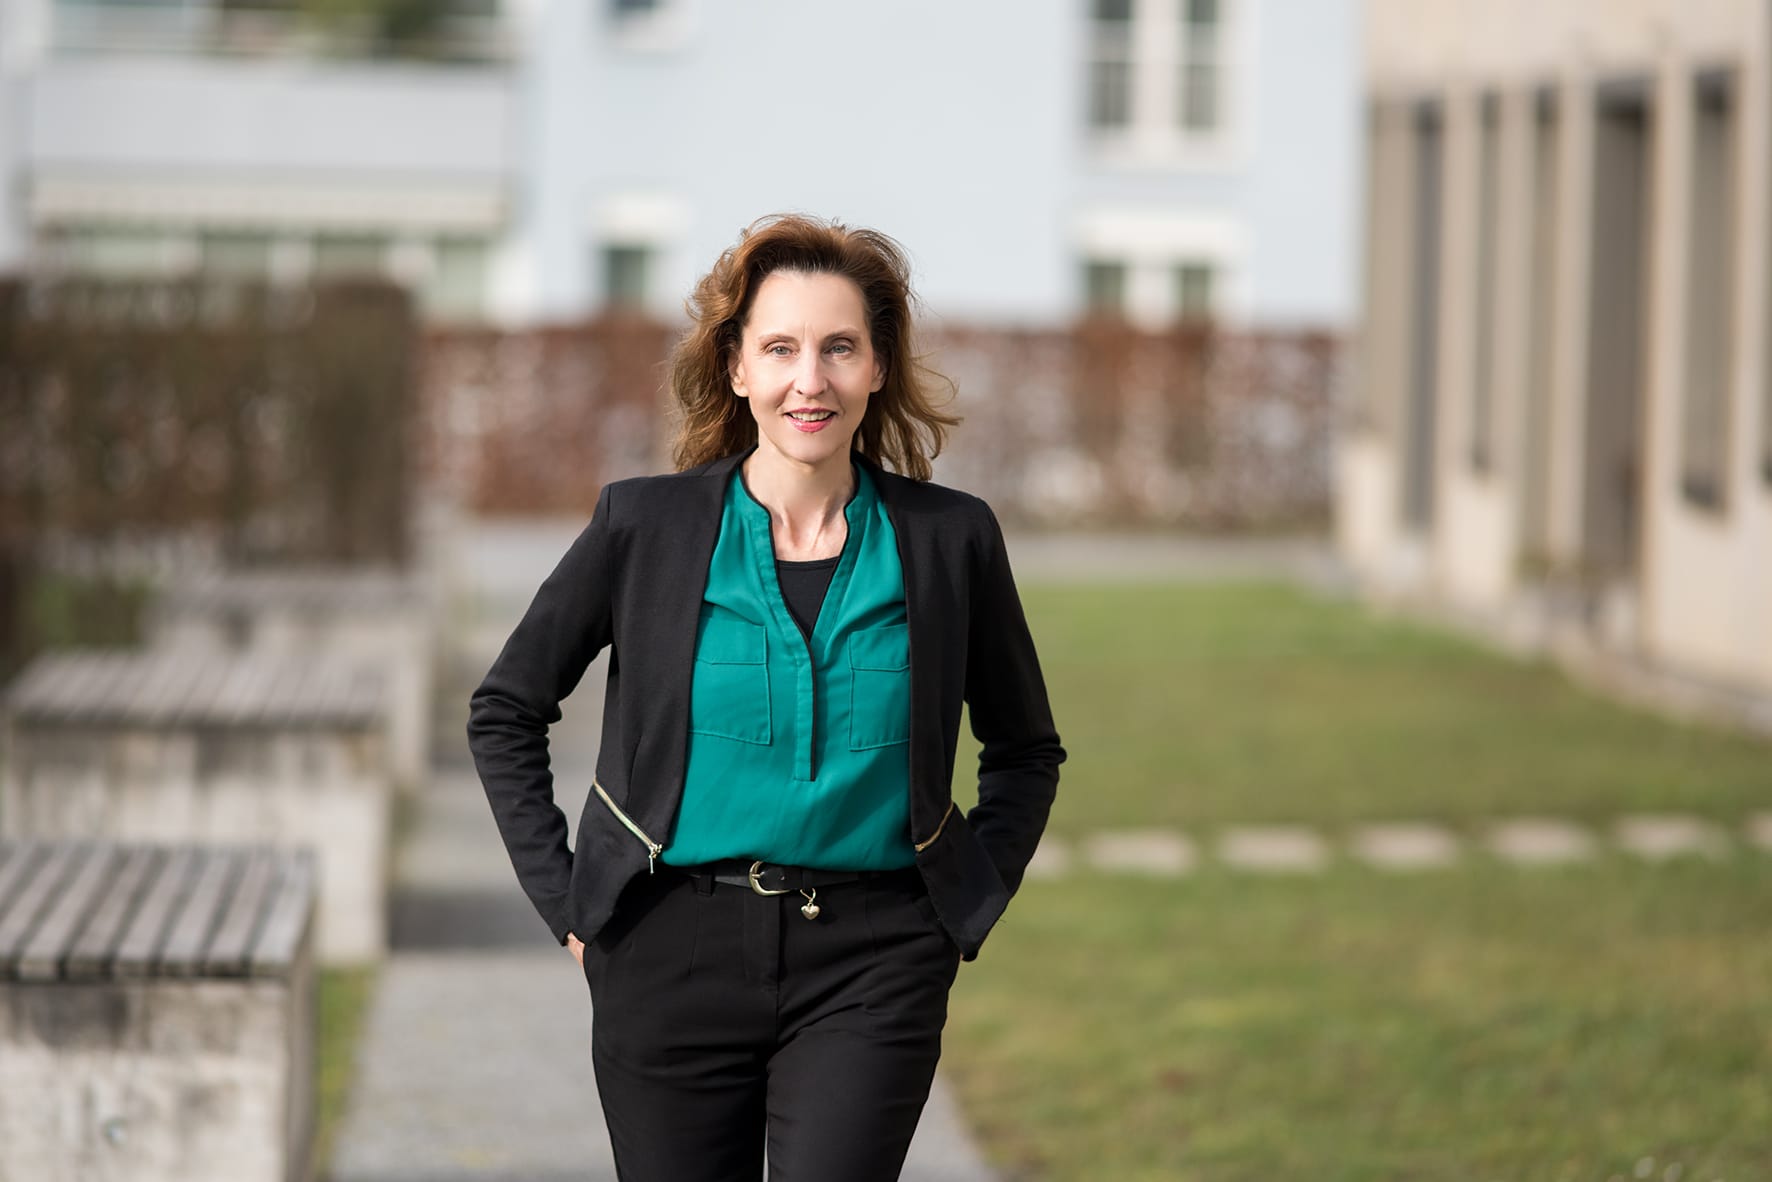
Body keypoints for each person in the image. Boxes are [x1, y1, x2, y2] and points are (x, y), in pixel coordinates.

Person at [467, 213, 1065, 1182]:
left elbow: (1024, 748)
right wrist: (571, 903)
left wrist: (959, 907)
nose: (809, 380)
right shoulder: (643, 527)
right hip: (666, 952)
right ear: (737, 367)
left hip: (874, 963)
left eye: (839, 348)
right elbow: (505, 709)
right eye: (780, 348)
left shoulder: (949, 540)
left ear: (878, 367)